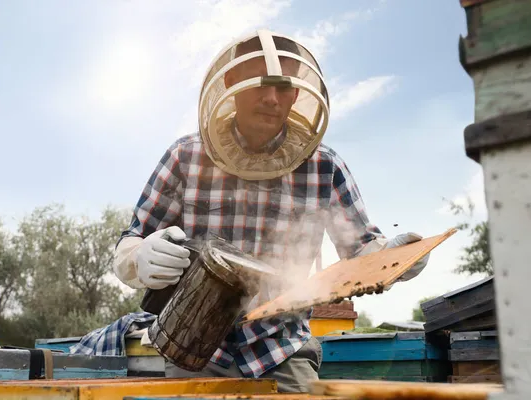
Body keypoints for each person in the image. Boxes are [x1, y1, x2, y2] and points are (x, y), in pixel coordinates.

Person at [113, 29, 429, 393]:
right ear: (229, 83)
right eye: (258, 84)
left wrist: (394, 257)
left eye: (283, 87)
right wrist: (140, 258)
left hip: (282, 349)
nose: (271, 99)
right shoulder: (185, 156)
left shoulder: (324, 165)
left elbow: (360, 249)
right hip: (193, 349)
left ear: (297, 94)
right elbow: (130, 242)